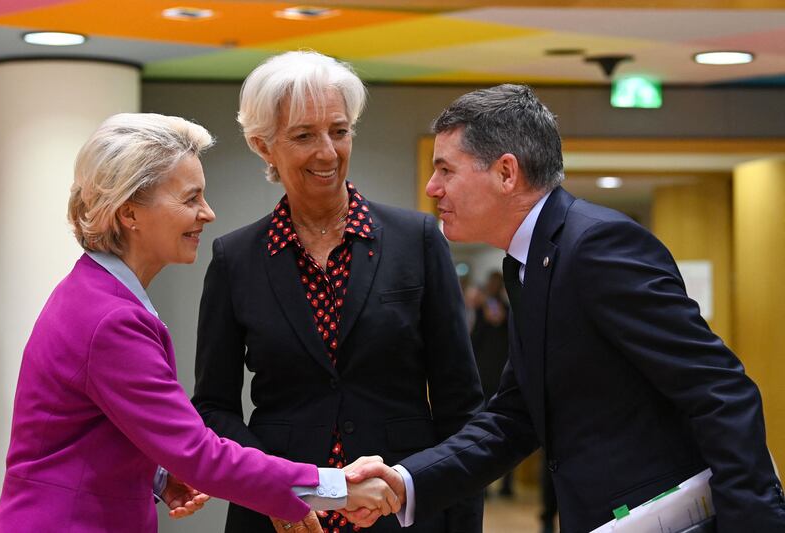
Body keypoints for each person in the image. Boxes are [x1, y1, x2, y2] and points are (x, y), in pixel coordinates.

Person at [345, 84, 785, 532]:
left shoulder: (596, 246)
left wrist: (754, 523)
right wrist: (404, 481)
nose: (432, 187)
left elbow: (718, 387)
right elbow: (514, 417)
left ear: (506, 173)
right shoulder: (527, 262)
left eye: (446, 170)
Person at [0, 113, 398, 533]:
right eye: (190, 199)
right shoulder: (110, 319)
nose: (208, 213)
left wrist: (156, 476)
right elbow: (200, 454)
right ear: (130, 212)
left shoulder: (93, 295)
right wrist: (336, 486)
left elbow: (80, 436)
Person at [192, 50, 484, 533]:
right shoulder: (235, 258)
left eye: (339, 131)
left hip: (400, 512)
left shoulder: (417, 240)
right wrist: (271, 484)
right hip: (281, 515)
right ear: (263, 145)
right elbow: (214, 407)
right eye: (304, 135)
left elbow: (460, 408)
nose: (328, 152)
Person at [469, 271, 513, 498]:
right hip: (483, 377)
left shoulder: (509, 308)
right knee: (483, 429)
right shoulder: (480, 308)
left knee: (508, 430)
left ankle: (507, 484)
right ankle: (484, 484)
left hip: (503, 377)